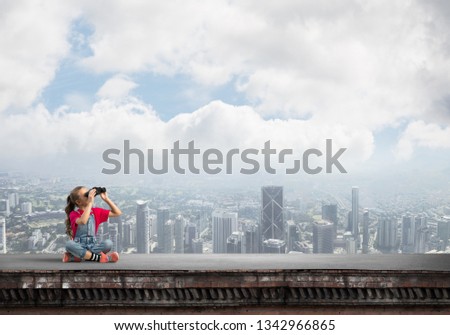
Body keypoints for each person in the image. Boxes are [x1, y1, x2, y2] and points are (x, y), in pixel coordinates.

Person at [62, 186, 122, 263]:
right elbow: (83, 221)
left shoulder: (96, 212)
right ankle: (99, 258)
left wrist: (106, 199)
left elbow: (117, 213)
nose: (89, 196)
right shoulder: (74, 214)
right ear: (78, 202)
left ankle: (77, 257)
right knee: (69, 244)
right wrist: (90, 203)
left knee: (108, 243)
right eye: (86, 195)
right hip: (79, 245)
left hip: (92, 246)